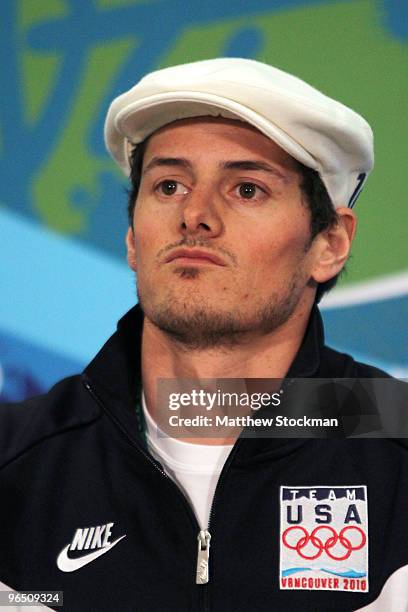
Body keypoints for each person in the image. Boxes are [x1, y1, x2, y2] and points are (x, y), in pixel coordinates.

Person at [0, 58, 407, 612]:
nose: (195, 214)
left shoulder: (396, 447)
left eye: (246, 189)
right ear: (132, 239)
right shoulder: (15, 461)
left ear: (329, 243)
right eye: (168, 185)